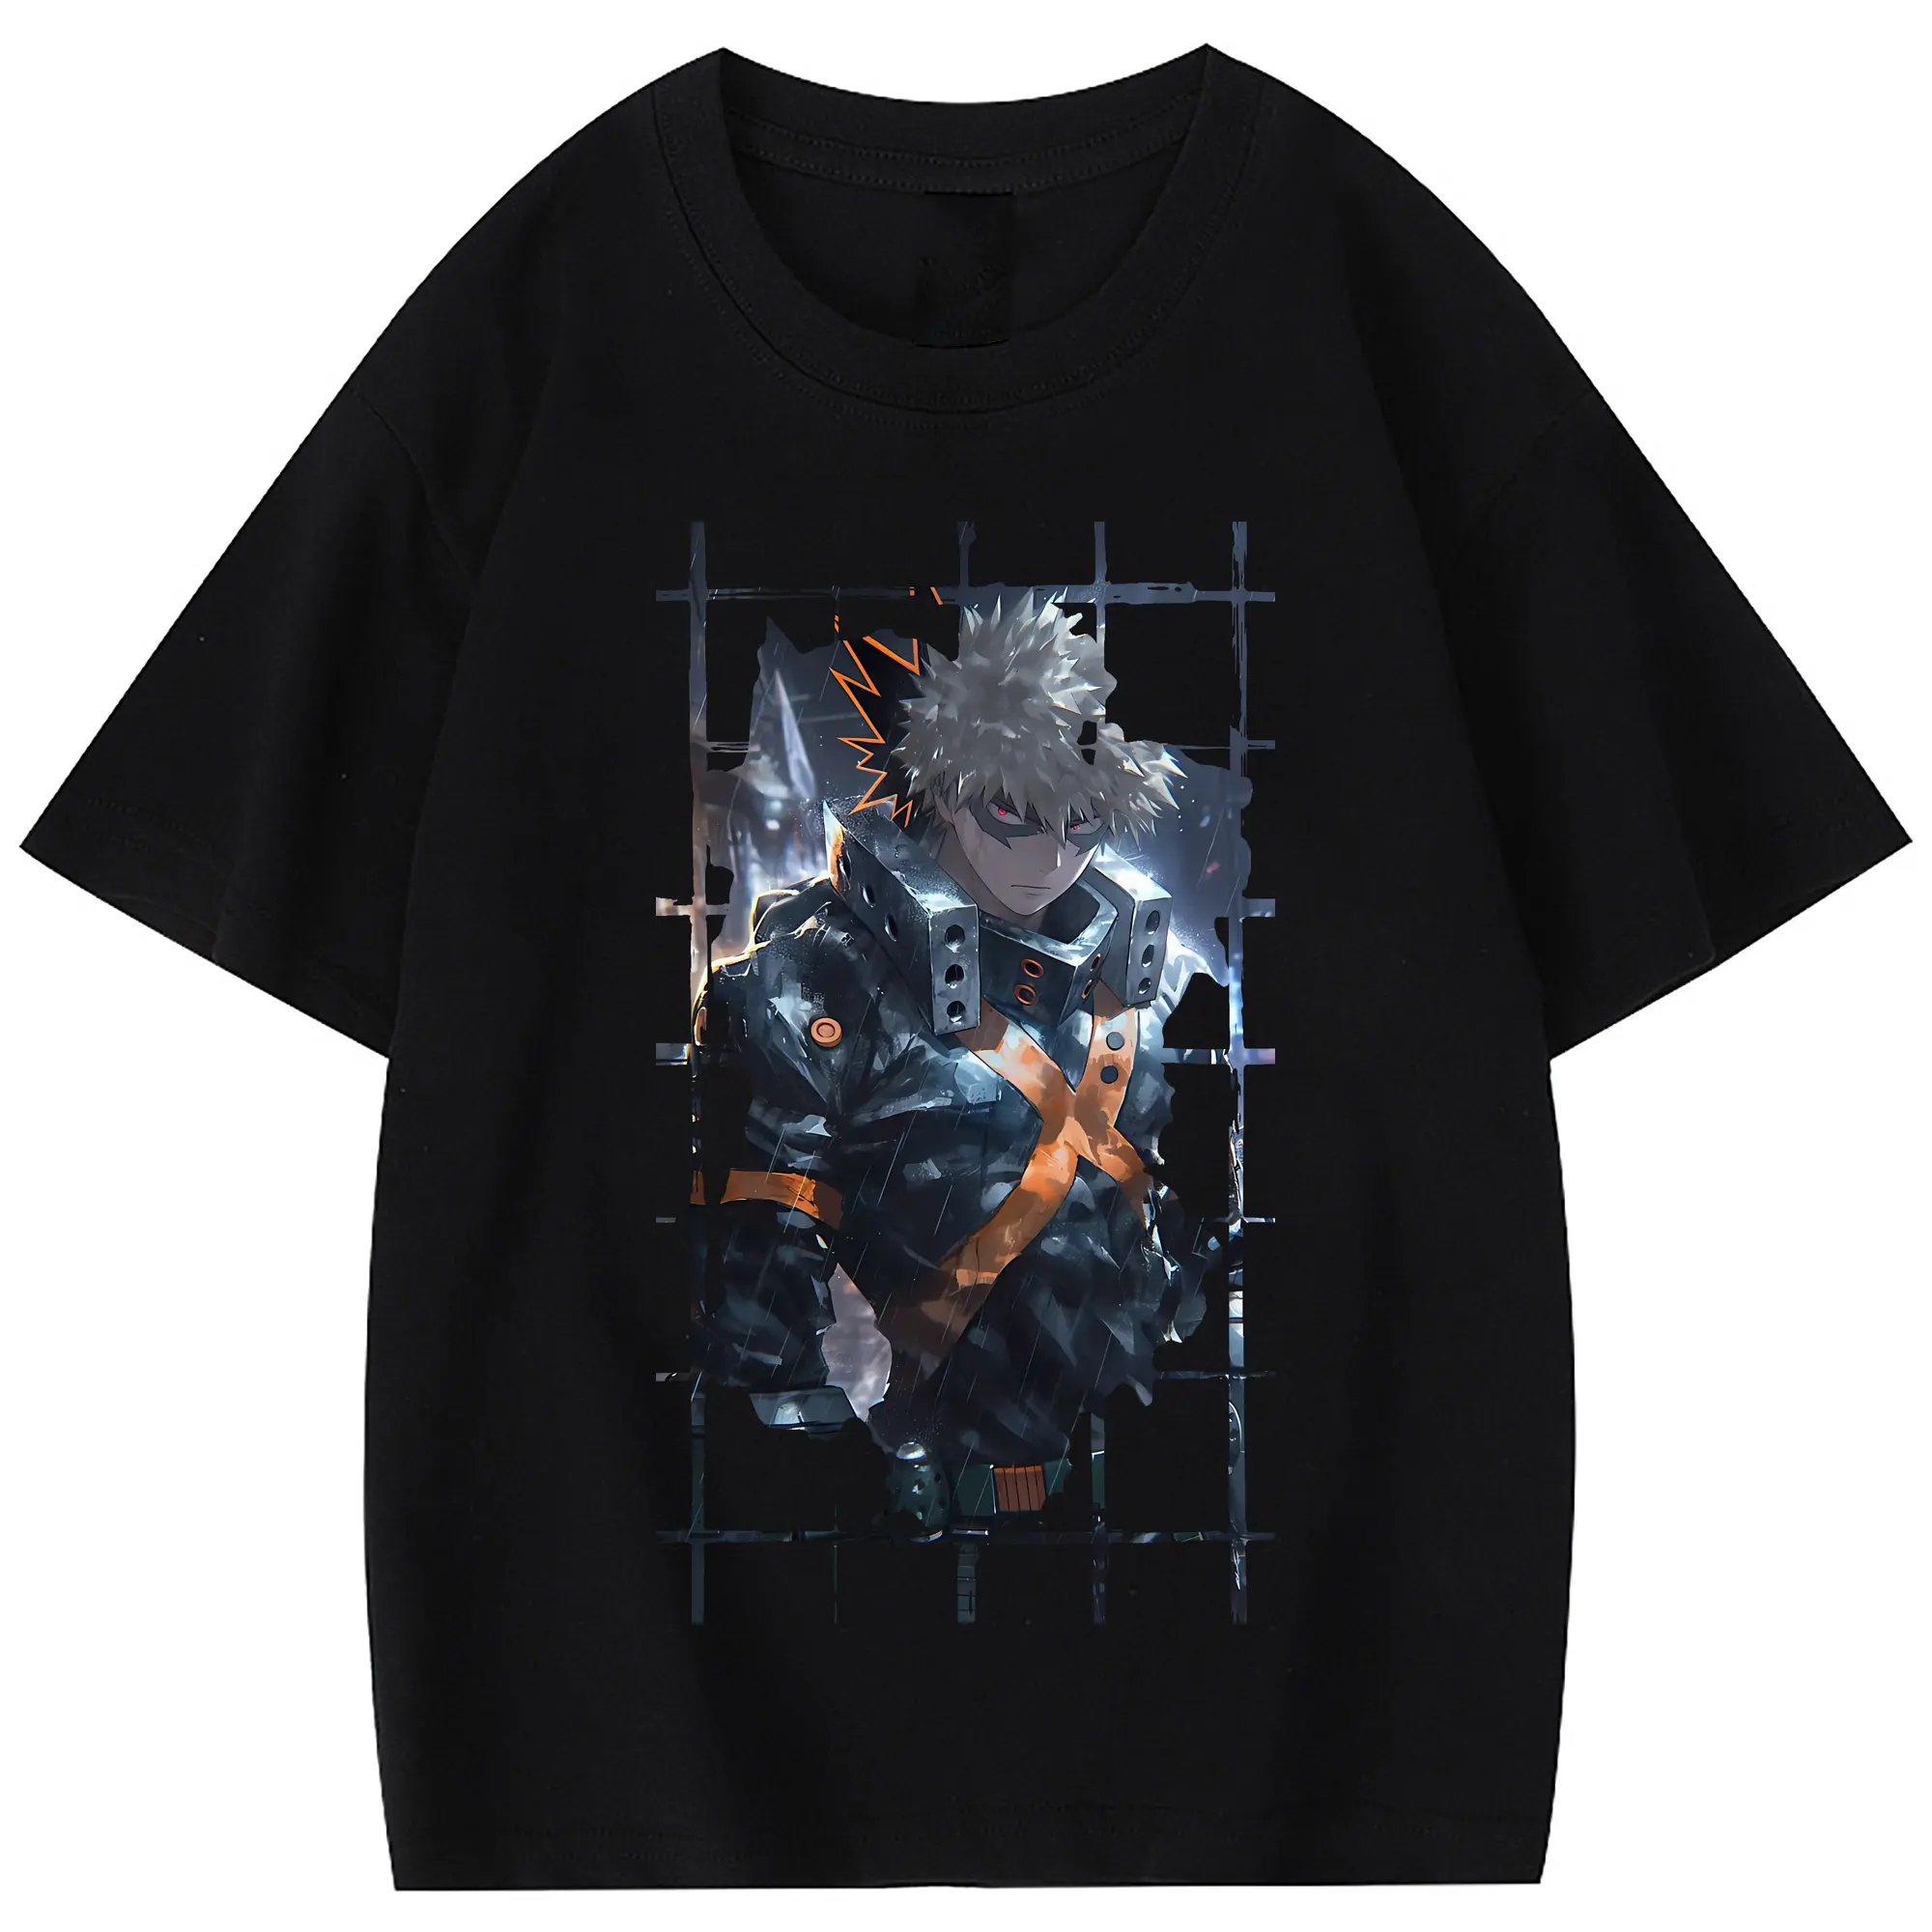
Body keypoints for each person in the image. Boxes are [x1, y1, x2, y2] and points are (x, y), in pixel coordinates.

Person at [691, 591, 1221, 1534]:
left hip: (1128, 1486)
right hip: (916, 1498)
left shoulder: (1136, 990)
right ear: (944, 785)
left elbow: (1164, 1234)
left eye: (1081, 821)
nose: (1049, 854)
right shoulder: (819, 976)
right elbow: (754, 1272)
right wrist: (817, 1466)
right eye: (1015, 813)